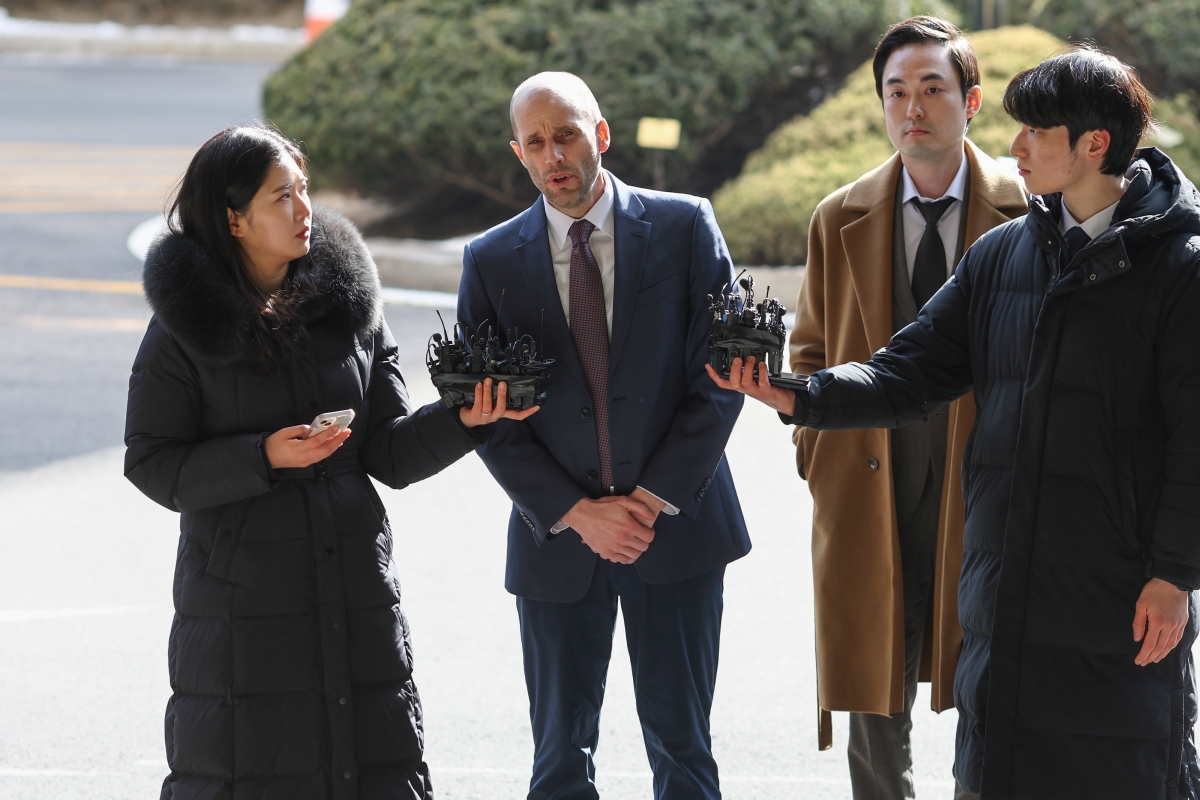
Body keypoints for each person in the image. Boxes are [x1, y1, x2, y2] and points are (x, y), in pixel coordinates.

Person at [711, 48, 1200, 799]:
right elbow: (908, 371)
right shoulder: (1003, 255)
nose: (1015, 148)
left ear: (1095, 144)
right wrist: (801, 397)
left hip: (1119, 603)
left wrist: (1174, 573)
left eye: (1036, 132)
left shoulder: (1181, 269)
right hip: (1003, 597)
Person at [124, 124, 534, 800]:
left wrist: (465, 419)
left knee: (370, 771)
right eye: (281, 197)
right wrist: (262, 456)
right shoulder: (183, 329)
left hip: (355, 591)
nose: (305, 210)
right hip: (243, 611)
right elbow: (153, 463)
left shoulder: (349, 309)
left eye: (304, 190)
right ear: (234, 219)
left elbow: (390, 452)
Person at [457, 72, 748, 799]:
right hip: (558, 541)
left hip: (675, 532)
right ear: (518, 153)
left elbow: (722, 376)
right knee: (557, 762)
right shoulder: (490, 261)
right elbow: (483, 416)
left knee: (684, 753)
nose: (554, 154)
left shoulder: (685, 228)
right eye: (536, 142)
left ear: (601, 136)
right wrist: (580, 514)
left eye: (567, 135)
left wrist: (647, 501)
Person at [784, 16, 1028, 799]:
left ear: (973, 100)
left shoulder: (1028, 211)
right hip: (866, 481)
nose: (913, 108)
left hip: (987, 484)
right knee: (872, 684)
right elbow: (810, 353)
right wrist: (818, 461)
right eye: (897, 92)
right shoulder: (838, 215)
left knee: (991, 674)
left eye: (933, 89)